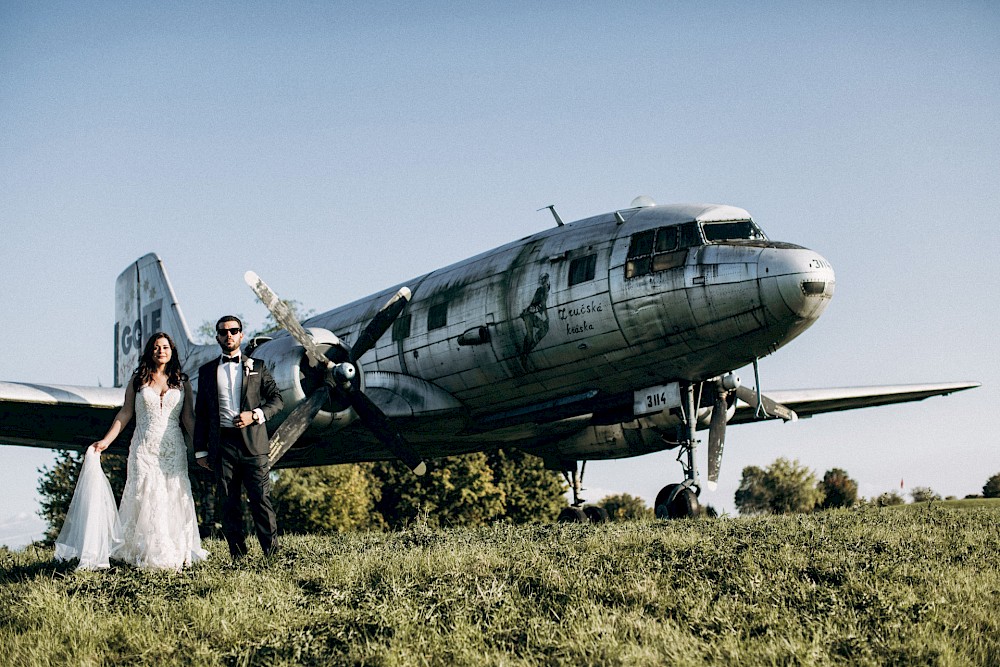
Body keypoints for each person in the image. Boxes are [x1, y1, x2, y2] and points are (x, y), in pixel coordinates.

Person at [89, 332, 207, 570]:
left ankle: (174, 549)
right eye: (156, 347)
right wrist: (106, 441)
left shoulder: (182, 382)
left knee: (173, 493)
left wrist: (202, 449)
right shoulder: (138, 380)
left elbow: (188, 419)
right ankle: (145, 550)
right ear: (150, 352)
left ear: (172, 351)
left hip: (173, 448)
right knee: (145, 494)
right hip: (144, 447)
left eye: (165, 347)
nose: (160, 351)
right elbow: (125, 413)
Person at [194, 316, 283, 560]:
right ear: (218, 338)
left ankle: (272, 554)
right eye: (224, 332)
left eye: (234, 331)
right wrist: (200, 451)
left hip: (254, 445)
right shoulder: (207, 371)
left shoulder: (258, 367)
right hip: (222, 445)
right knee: (228, 502)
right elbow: (201, 412)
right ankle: (238, 556)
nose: (229, 335)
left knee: (261, 500)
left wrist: (255, 415)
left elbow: (277, 400)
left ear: (242, 335)